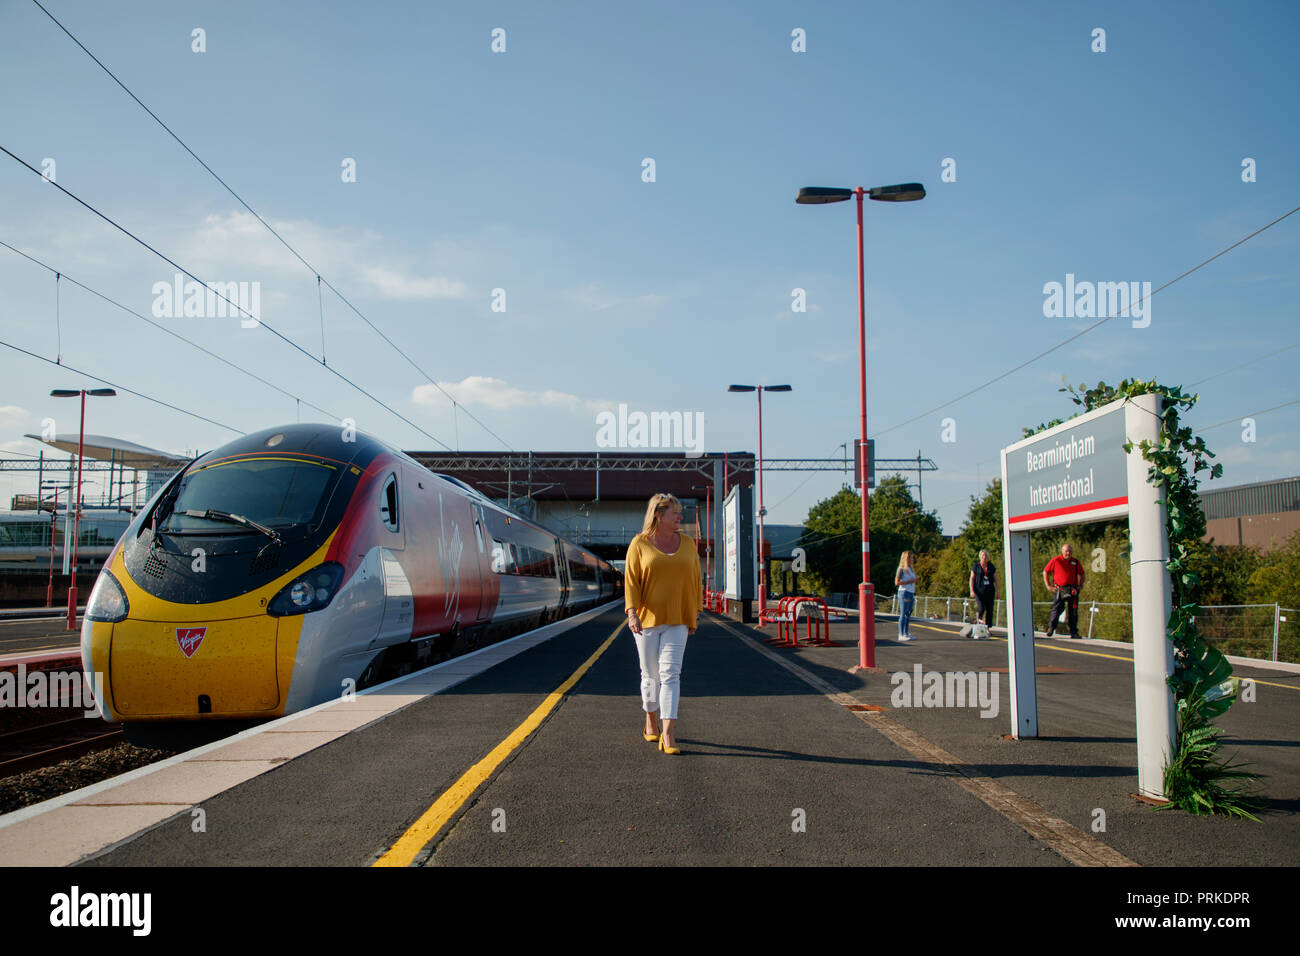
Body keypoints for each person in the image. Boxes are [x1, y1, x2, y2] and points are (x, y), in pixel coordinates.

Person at [624, 493, 701, 755]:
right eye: (675, 513)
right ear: (659, 515)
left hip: (678, 618)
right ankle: (651, 719)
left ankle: (668, 734)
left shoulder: (689, 543)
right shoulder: (639, 543)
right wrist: (632, 613)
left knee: (671, 675)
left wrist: (695, 612)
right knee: (650, 676)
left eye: (680, 513)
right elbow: (631, 580)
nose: (681, 517)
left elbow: (696, 580)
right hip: (646, 620)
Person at [1042, 542, 1085, 638]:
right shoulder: (1056, 560)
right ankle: (1051, 628)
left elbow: (1082, 574)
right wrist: (1048, 586)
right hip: (1059, 590)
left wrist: (1080, 585)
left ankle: (1073, 632)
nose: (1068, 553)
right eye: (1066, 551)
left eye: (1070, 551)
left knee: (1073, 611)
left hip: (1073, 590)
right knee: (1057, 609)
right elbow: (1045, 572)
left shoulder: (1076, 562)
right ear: (1062, 551)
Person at [968, 549, 997, 638]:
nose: (984, 557)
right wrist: (972, 590)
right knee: (981, 608)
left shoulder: (991, 566)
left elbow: (996, 579)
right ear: (980, 556)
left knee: (989, 610)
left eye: (986, 556)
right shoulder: (976, 566)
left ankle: (988, 628)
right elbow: (972, 578)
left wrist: (998, 591)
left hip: (989, 591)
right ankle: (978, 619)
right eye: (983, 555)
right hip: (979, 591)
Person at [895, 551, 918, 642]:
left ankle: (906, 633)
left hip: (911, 592)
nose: (912, 559)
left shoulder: (910, 569)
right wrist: (912, 581)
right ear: (906, 558)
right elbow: (897, 582)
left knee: (908, 613)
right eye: (911, 558)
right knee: (903, 613)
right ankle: (901, 634)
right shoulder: (901, 569)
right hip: (904, 592)